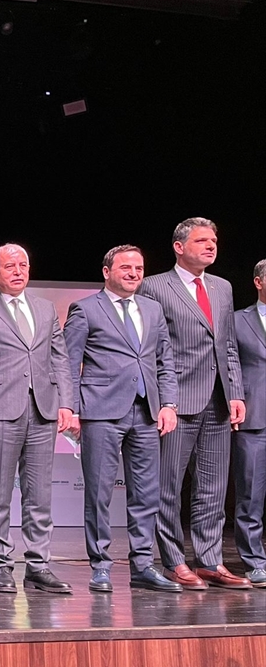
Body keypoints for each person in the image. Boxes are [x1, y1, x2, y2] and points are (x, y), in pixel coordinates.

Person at [138, 218, 249, 590]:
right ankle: (173, 561)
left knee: (213, 487)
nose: (210, 245)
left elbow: (228, 345)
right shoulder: (155, 286)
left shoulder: (222, 287)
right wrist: (163, 399)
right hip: (177, 400)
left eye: (213, 240)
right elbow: (151, 347)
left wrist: (236, 392)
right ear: (179, 246)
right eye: (201, 240)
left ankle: (210, 560)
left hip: (218, 400)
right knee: (168, 487)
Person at [65, 245, 182, 593]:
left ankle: (142, 565)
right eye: (126, 268)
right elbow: (69, 363)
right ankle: (100, 565)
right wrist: (72, 408)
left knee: (146, 493)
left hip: (146, 412)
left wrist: (169, 404)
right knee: (99, 492)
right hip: (101, 411)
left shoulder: (153, 309)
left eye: (139, 268)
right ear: (107, 272)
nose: (133, 273)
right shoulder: (85, 309)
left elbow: (165, 360)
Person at [0, 244, 74, 595]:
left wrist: (67, 403)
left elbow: (60, 358)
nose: (18, 271)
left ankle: (38, 565)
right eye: (10, 266)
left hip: (42, 409)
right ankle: (1, 565)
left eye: (23, 264)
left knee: (39, 494)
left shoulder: (44, 308)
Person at [231, 259, 266, 588]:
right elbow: (229, 366)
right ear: (258, 282)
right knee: (250, 495)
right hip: (256, 419)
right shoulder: (238, 321)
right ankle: (254, 561)